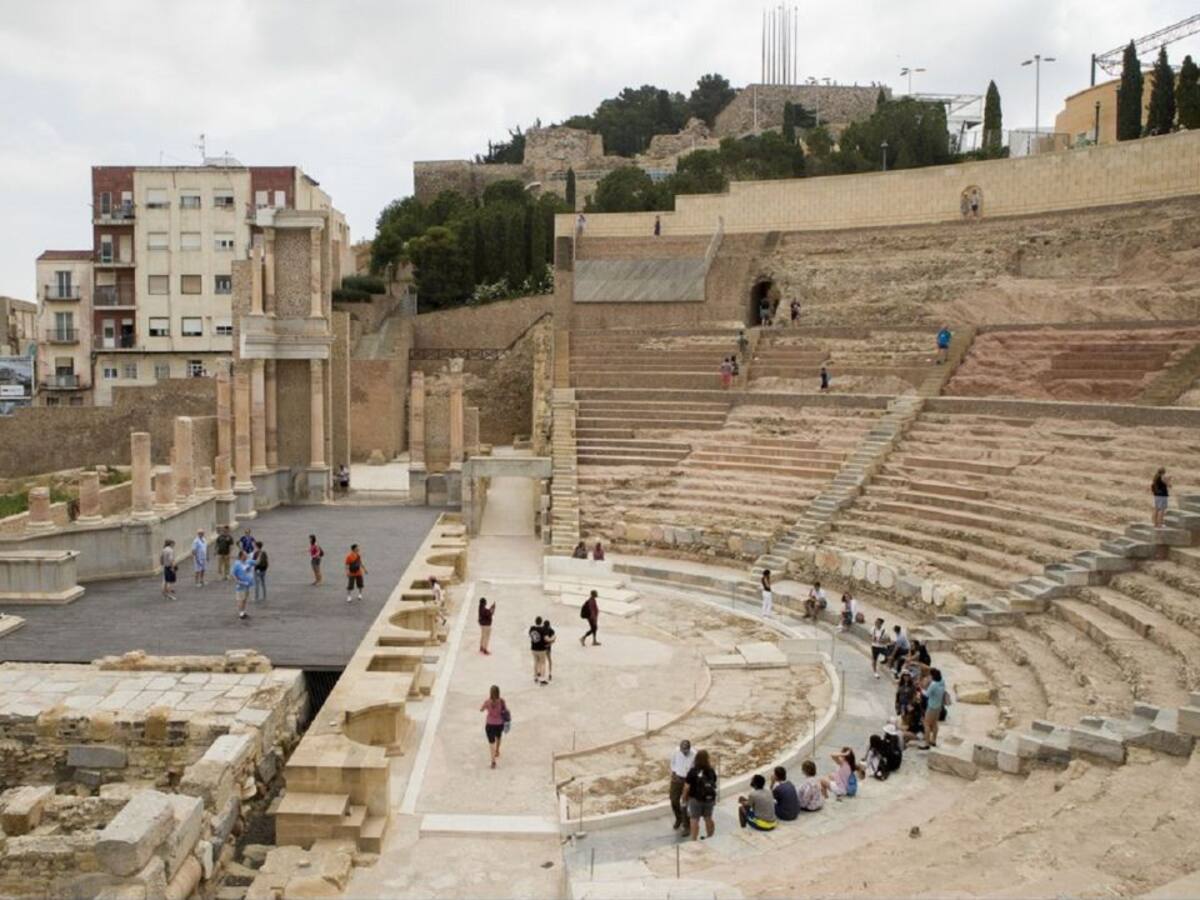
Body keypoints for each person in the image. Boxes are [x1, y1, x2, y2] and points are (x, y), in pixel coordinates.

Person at [682, 749, 718, 841]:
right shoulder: (711, 771)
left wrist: (684, 798)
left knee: (694, 819)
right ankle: (710, 837)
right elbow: (714, 783)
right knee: (708, 818)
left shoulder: (692, 771)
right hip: (709, 799)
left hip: (695, 799)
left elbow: (686, 787)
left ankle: (694, 839)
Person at [669, 739, 696, 832]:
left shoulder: (694, 754)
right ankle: (679, 818)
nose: (684, 752)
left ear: (689, 748)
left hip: (688, 781)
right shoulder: (676, 751)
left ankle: (687, 826)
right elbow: (672, 762)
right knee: (673, 800)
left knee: (685, 804)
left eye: (686, 750)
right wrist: (674, 773)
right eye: (682, 750)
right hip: (677, 778)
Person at [480, 685, 508, 769]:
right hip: (499, 724)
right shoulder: (502, 701)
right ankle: (497, 750)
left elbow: (481, 709)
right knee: (498, 737)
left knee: (491, 743)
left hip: (490, 724)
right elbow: (505, 710)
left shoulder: (487, 702)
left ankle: (493, 761)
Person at [920, 668, 947, 749]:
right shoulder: (942, 681)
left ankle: (926, 743)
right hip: (938, 706)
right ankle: (934, 740)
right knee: (935, 723)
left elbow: (926, 695)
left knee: (927, 724)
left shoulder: (933, 684)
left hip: (931, 707)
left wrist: (921, 689)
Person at [232, 549, 254, 620]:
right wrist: (237, 581)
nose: (246, 556)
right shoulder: (237, 564)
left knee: (244, 599)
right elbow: (233, 574)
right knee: (240, 600)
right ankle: (241, 614)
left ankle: (243, 612)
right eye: (245, 555)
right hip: (241, 585)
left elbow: (256, 562)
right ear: (241, 556)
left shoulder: (247, 562)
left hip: (247, 585)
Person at [530, 616, 548, 685]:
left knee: (536, 662)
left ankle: (535, 677)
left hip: (533, 648)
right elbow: (546, 639)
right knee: (543, 663)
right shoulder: (542, 629)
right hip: (541, 649)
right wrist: (553, 639)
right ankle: (542, 679)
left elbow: (531, 636)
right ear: (541, 622)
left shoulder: (532, 628)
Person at [540, 618, 557, 682]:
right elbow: (554, 639)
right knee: (549, 660)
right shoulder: (551, 630)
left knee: (541, 661)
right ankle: (550, 673)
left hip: (541, 648)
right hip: (548, 648)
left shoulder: (541, 629)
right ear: (549, 625)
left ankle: (540, 673)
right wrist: (549, 644)